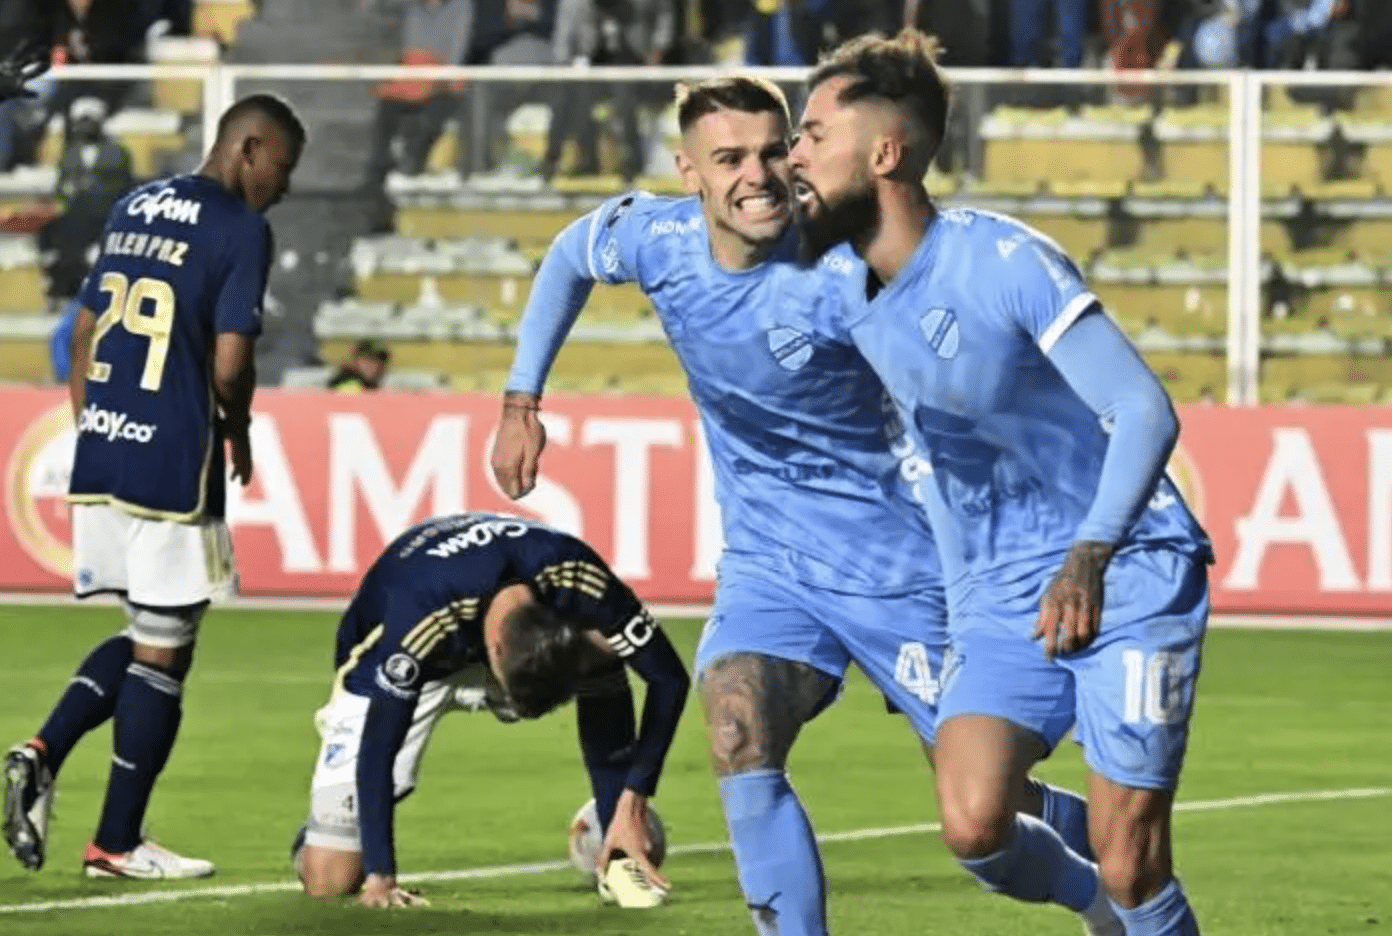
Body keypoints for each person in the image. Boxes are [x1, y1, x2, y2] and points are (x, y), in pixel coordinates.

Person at [492, 75, 1117, 936]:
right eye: (729, 158)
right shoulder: (654, 239)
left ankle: (1111, 884)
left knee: (986, 808)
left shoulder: (844, 270)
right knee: (736, 724)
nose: (758, 175)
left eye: (772, 151)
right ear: (688, 173)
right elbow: (570, 254)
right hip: (771, 563)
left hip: (905, 568)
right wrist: (521, 401)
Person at [789, 28, 1213, 935]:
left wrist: (1089, 554)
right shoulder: (841, 288)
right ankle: (1104, 903)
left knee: (1133, 859)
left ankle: (1128, 885)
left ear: (885, 153)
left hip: (1125, 566)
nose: (795, 155)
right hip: (1000, 591)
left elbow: (1143, 411)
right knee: (975, 822)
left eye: (814, 134)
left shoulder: (1003, 261)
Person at [2, 93, 304, 880]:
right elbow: (230, 364)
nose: (284, 186)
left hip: (105, 444)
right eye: (283, 166)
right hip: (174, 455)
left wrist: (93, 427)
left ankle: (42, 752)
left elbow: (86, 330)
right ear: (247, 148)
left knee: (147, 634)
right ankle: (116, 841)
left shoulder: (136, 204)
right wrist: (237, 428)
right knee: (167, 650)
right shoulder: (241, 228)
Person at [291, 511, 689, 909]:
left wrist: (633, 799)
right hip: (386, 668)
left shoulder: (574, 573)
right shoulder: (423, 614)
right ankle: (323, 835)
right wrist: (381, 877)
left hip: (495, 632)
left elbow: (670, 678)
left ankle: (613, 823)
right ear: (495, 651)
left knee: (604, 647)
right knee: (332, 880)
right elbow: (379, 747)